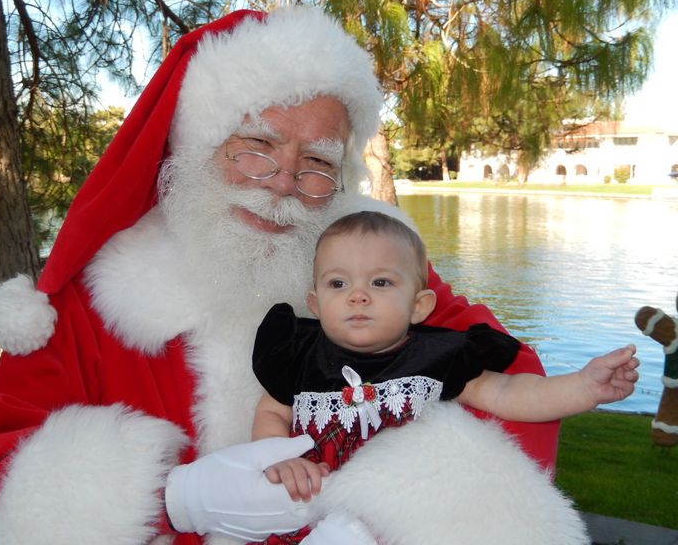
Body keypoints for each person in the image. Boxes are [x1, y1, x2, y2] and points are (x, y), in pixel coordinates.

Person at [0, 6, 559, 545]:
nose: (285, 183)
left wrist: (382, 516)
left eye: (316, 161)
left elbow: (511, 376)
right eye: (256, 148)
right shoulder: (100, 299)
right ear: (198, 146)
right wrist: (173, 499)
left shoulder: (369, 268)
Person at [249, 210, 639, 544]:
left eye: (380, 282)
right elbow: (272, 412)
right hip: (306, 508)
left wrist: (584, 386)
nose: (358, 295)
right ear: (315, 303)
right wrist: (281, 458)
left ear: (419, 306)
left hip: (399, 523)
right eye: (338, 283)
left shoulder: (435, 358)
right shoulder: (300, 356)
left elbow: (509, 392)